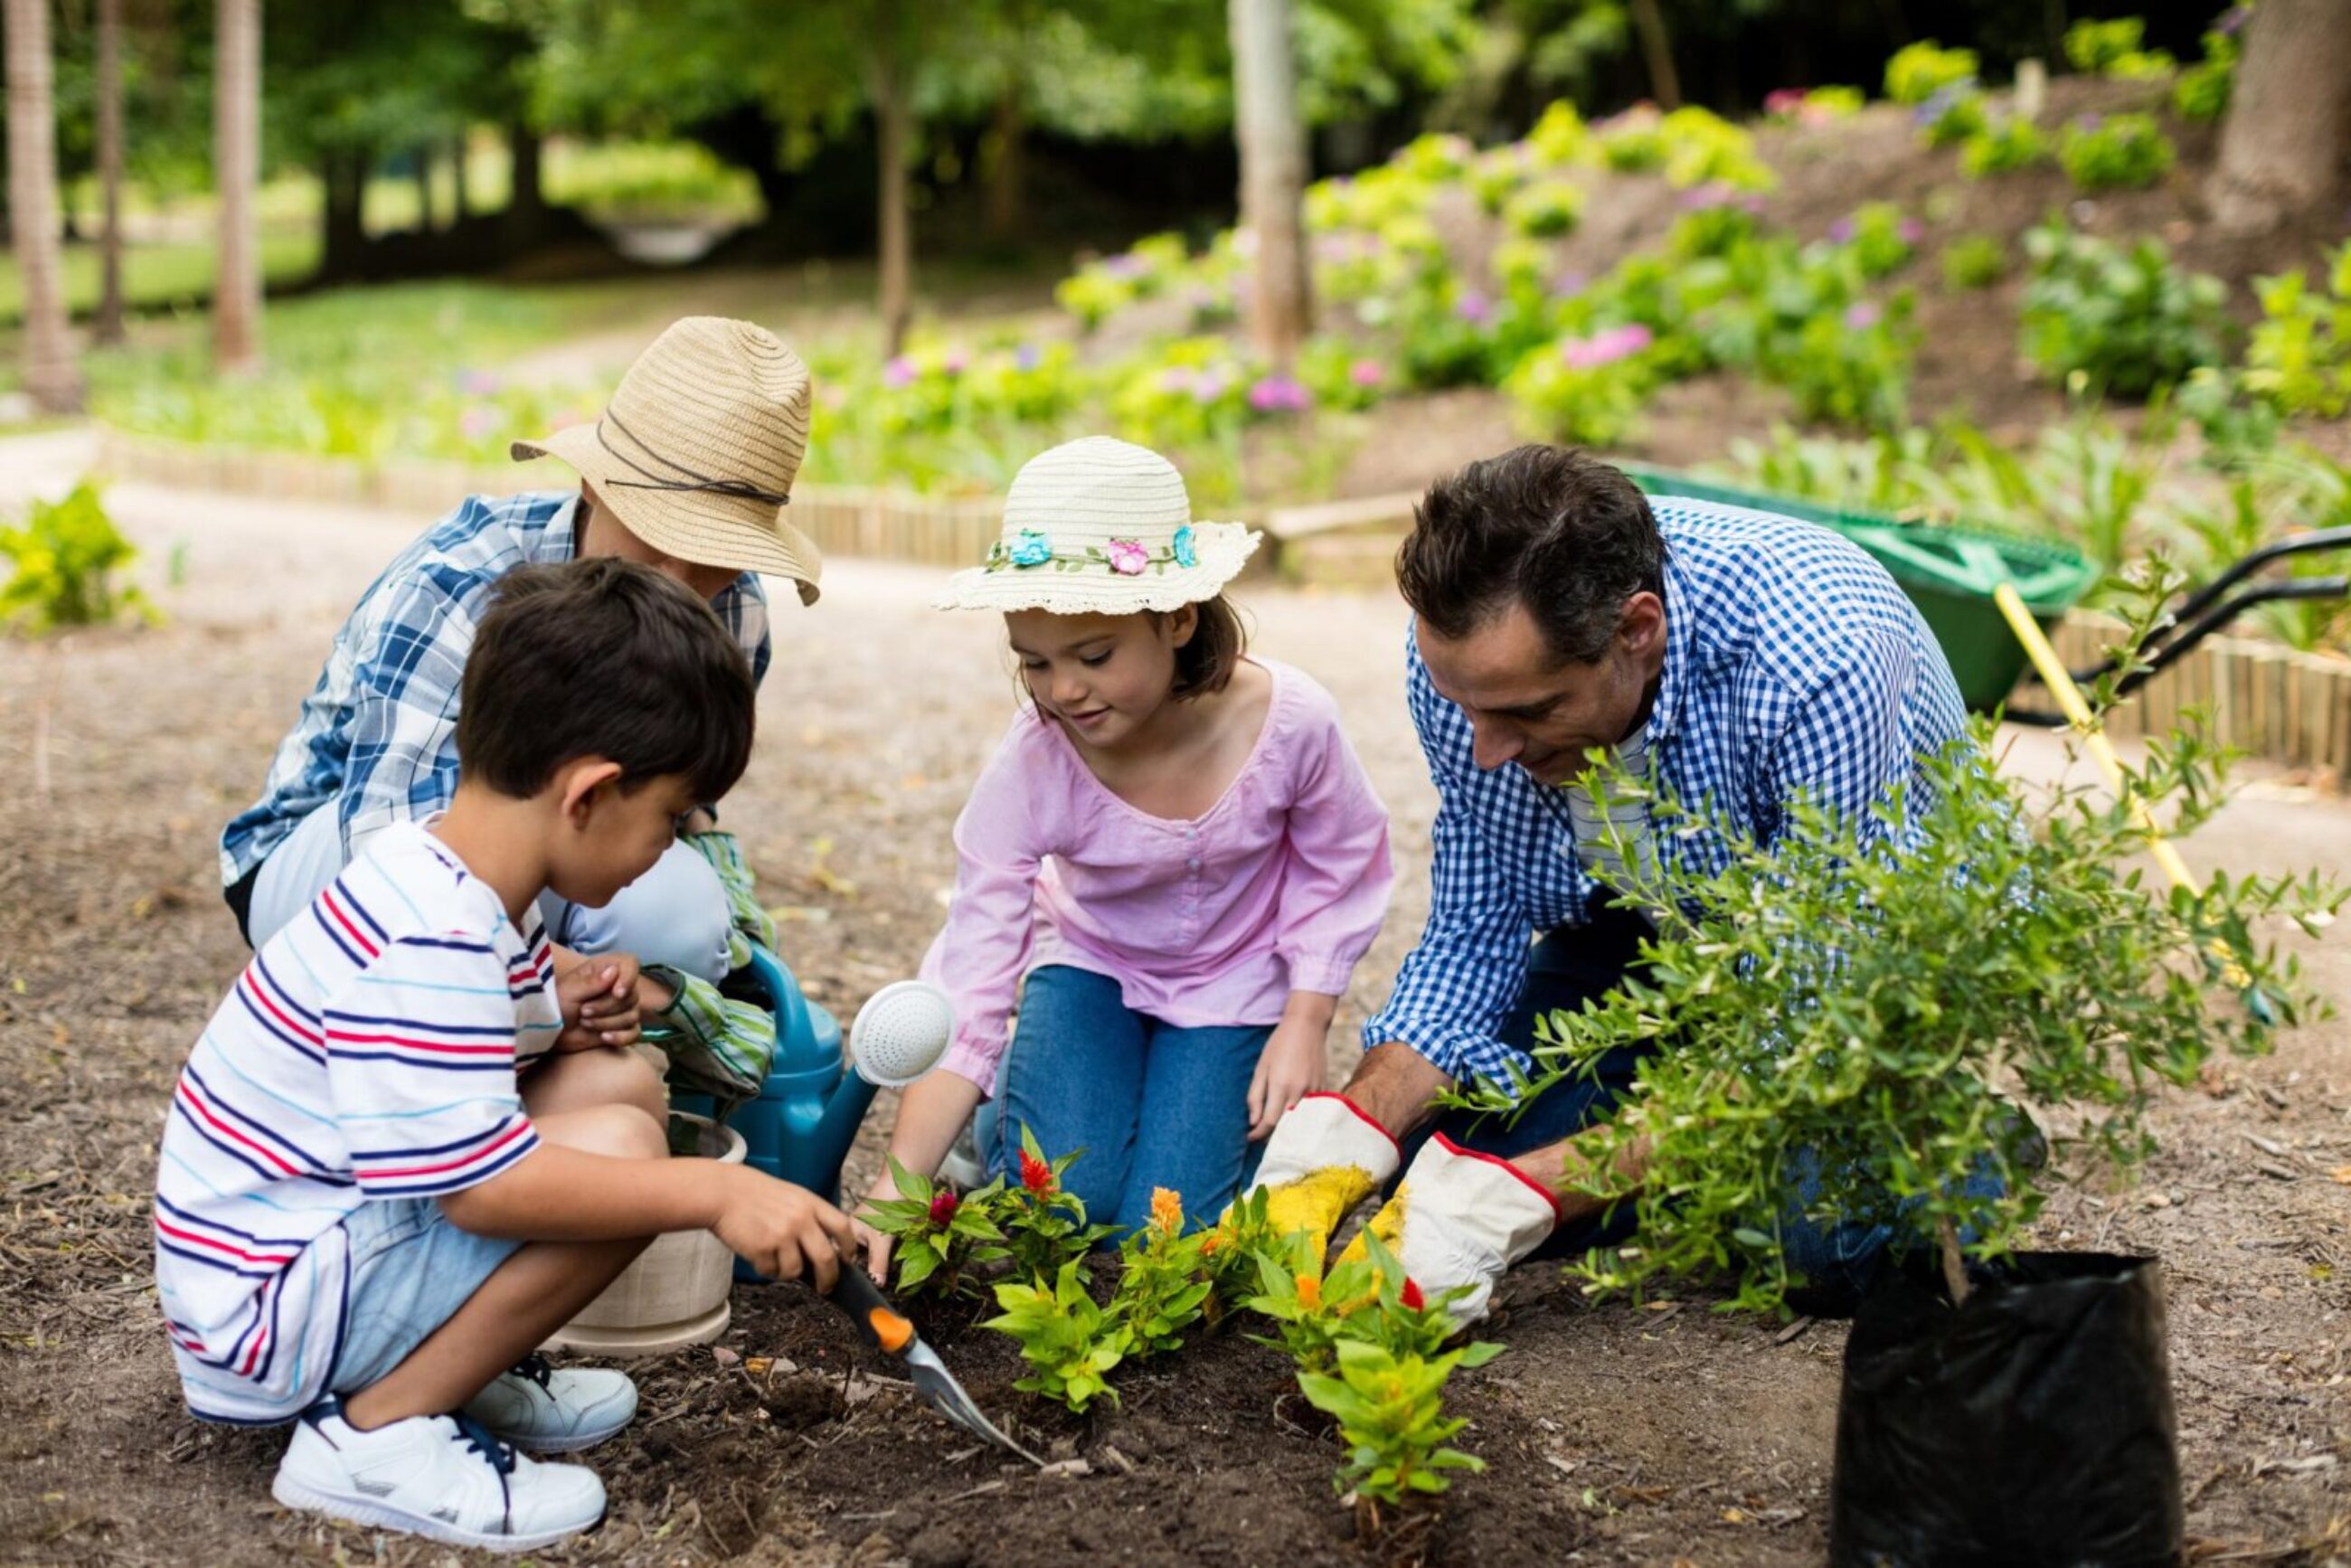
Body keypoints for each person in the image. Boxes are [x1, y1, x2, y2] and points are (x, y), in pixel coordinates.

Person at [154, 558, 859, 1552]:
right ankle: (377, 1433)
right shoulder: (432, 937)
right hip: (267, 1316)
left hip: (308, 1248)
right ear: (589, 794)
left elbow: (463, 1050)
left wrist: (553, 1006)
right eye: (668, 818)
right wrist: (714, 1198)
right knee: (626, 1164)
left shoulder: (438, 871)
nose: (668, 849)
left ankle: (458, 1370)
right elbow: (482, 1193)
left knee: (615, 1084)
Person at [1243, 443, 1976, 1322]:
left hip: (1856, 957)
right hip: (1644, 920)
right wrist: (1349, 1127)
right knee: (1443, 1152)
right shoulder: (1475, 664)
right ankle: (1685, 1127)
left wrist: (1541, 1187)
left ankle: (1956, 1137)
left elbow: (1809, 1019)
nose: (1485, 748)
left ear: (1636, 631)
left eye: (1526, 713)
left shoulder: (1815, 660)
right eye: (1466, 706)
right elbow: (1479, 929)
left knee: (1820, 1240)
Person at [861, 437, 1393, 1265]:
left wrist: (1305, 1018)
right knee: (1067, 1214)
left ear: (1178, 619)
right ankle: (990, 1118)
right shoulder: (1037, 759)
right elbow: (974, 970)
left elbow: (1342, 861)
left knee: (1159, 1235)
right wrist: (894, 1191)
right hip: (1091, 964)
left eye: (1094, 655)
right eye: (1033, 661)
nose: (1062, 690)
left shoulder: (1291, 722)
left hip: (1235, 982)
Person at [219, 316, 821, 1034]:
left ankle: (548, 1057)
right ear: (594, 486)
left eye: (715, 555)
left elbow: (665, 804)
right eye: (661, 539)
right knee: (442, 948)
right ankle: (487, 1045)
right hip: (339, 849)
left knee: (677, 918)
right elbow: (390, 845)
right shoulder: (461, 580)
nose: (682, 583)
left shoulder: (737, 611)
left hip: (553, 843)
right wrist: (546, 980)